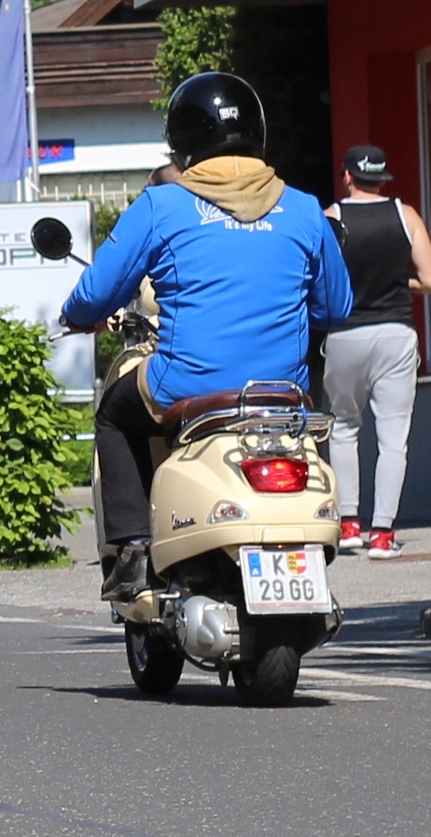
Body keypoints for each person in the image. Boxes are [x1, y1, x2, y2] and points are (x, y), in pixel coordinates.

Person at [59, 72, 353, 602]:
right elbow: (335, 307)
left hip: (184, 386)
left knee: (113, 414)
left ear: (183, 142)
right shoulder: (305, 208)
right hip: (281, 394)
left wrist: (77, 314)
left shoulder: (163, 206)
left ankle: (130, 550)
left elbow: (96, 293)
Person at [322, 144, 431, 559]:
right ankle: (383, 533)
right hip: (395, 333)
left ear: (347, 176)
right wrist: (399, 285)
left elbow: (317, 279)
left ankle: (349, 524)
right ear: (383, 178)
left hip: (346, 334)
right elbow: (429, 277)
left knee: (345, 428)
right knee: (393, 438)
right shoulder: (406, 216)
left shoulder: (332, 218)